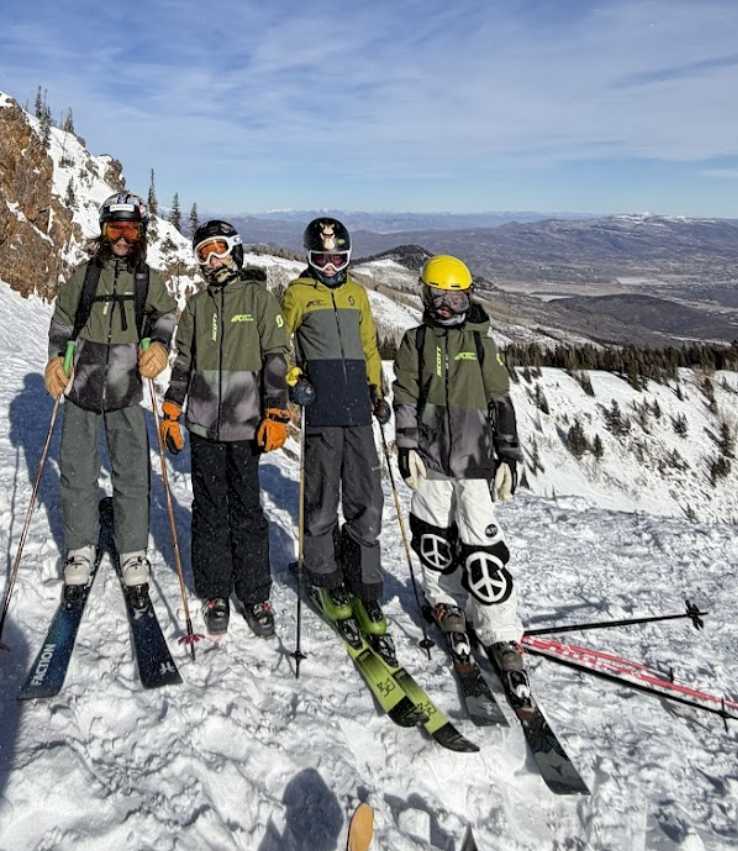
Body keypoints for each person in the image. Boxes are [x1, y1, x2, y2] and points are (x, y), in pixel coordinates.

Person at [392, 254, 527, 681]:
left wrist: (508, 454)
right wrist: (406, 445)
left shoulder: (480, 342)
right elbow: (406, 396)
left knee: (482, 543)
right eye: (439, 297)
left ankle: (499, 628)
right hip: (431, 461)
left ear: (468, 297)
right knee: (434, 537)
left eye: (456, 298)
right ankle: (445, 602)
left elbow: (500, 401)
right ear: (426, 297)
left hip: (475, 460)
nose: (448, 307)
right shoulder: (415, 341)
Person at [43, 191, 177, 606]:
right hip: (82, 387)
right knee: (78, 469)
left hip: (126, 390)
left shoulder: (147, 280)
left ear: (141, 234)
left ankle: (133, 550)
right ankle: (80, 545)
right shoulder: (84, 276)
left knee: (133, 473)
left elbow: (167, 315)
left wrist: (160, 346)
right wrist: (54, 361)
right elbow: (63, 321)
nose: (122, 237)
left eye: (130, 229)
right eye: (114, 228)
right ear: (102, 231)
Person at [159, 220, 291, 638]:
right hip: (202, 427)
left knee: (248, 511)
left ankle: (255, 593)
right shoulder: (197, 306)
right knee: (209, 509)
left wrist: (277, 412)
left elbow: (275, 356)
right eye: (203, 254)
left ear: (235, 251)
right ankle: (215, 591)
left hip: (248, 425)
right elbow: (184, 362)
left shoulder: (258, 297)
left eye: (218, 250)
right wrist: (171, 409)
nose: (212, 260)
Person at [281, 217, 393, 652]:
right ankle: (324, 575)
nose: (330, 267)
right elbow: (278, 341)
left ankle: (365, 584)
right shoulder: (297, 294)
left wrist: (376, 391)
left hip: (359, 411)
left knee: (368, 498)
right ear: (310, 258)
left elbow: (368, 347)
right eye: (321, 258)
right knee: (323, 497)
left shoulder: (357, 294)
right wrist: (294, 379)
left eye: (338, 258)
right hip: (323, 411)